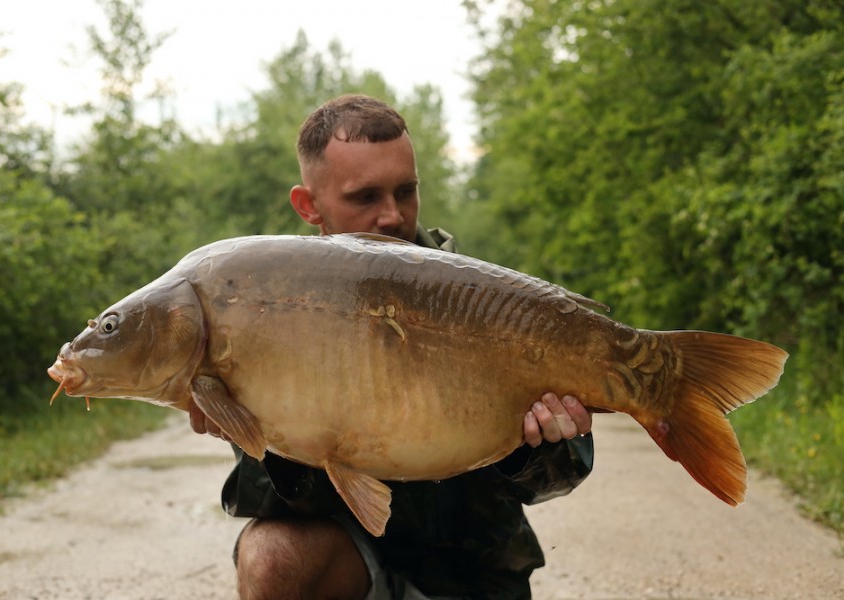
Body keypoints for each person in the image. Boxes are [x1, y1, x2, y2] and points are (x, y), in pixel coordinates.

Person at [189, 94, 594, 600]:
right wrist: (258, 441)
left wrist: (531, 448)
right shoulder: (272, 315)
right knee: (271, 556)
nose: (391, 216)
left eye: (406, 192)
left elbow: (562, 472)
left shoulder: (481, 302)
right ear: (308, 205)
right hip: (355, 567)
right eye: (365, 197)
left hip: (472, 581)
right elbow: (276, 503)